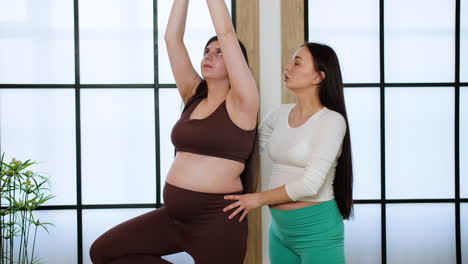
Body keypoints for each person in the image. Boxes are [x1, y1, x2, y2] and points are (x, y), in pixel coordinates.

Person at [89, 0, 258, 263]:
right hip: (174, 217)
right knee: (103, 251)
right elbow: (172, 39)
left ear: (237, 62)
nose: (209, 56)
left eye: (220, 52)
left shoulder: (243, 103)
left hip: (217, 222)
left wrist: (225, 37)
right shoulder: (193, 95)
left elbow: (226, 32)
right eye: (206, 50)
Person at [223, 42, 353, 264]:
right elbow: (245, 151)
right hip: (280, 232)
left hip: (318, 232)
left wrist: (257, 199)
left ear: (317, 77)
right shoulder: (279, 114)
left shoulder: (332, 121)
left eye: (297, 62)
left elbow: (311, 184)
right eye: (290, 61)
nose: (287, 67)